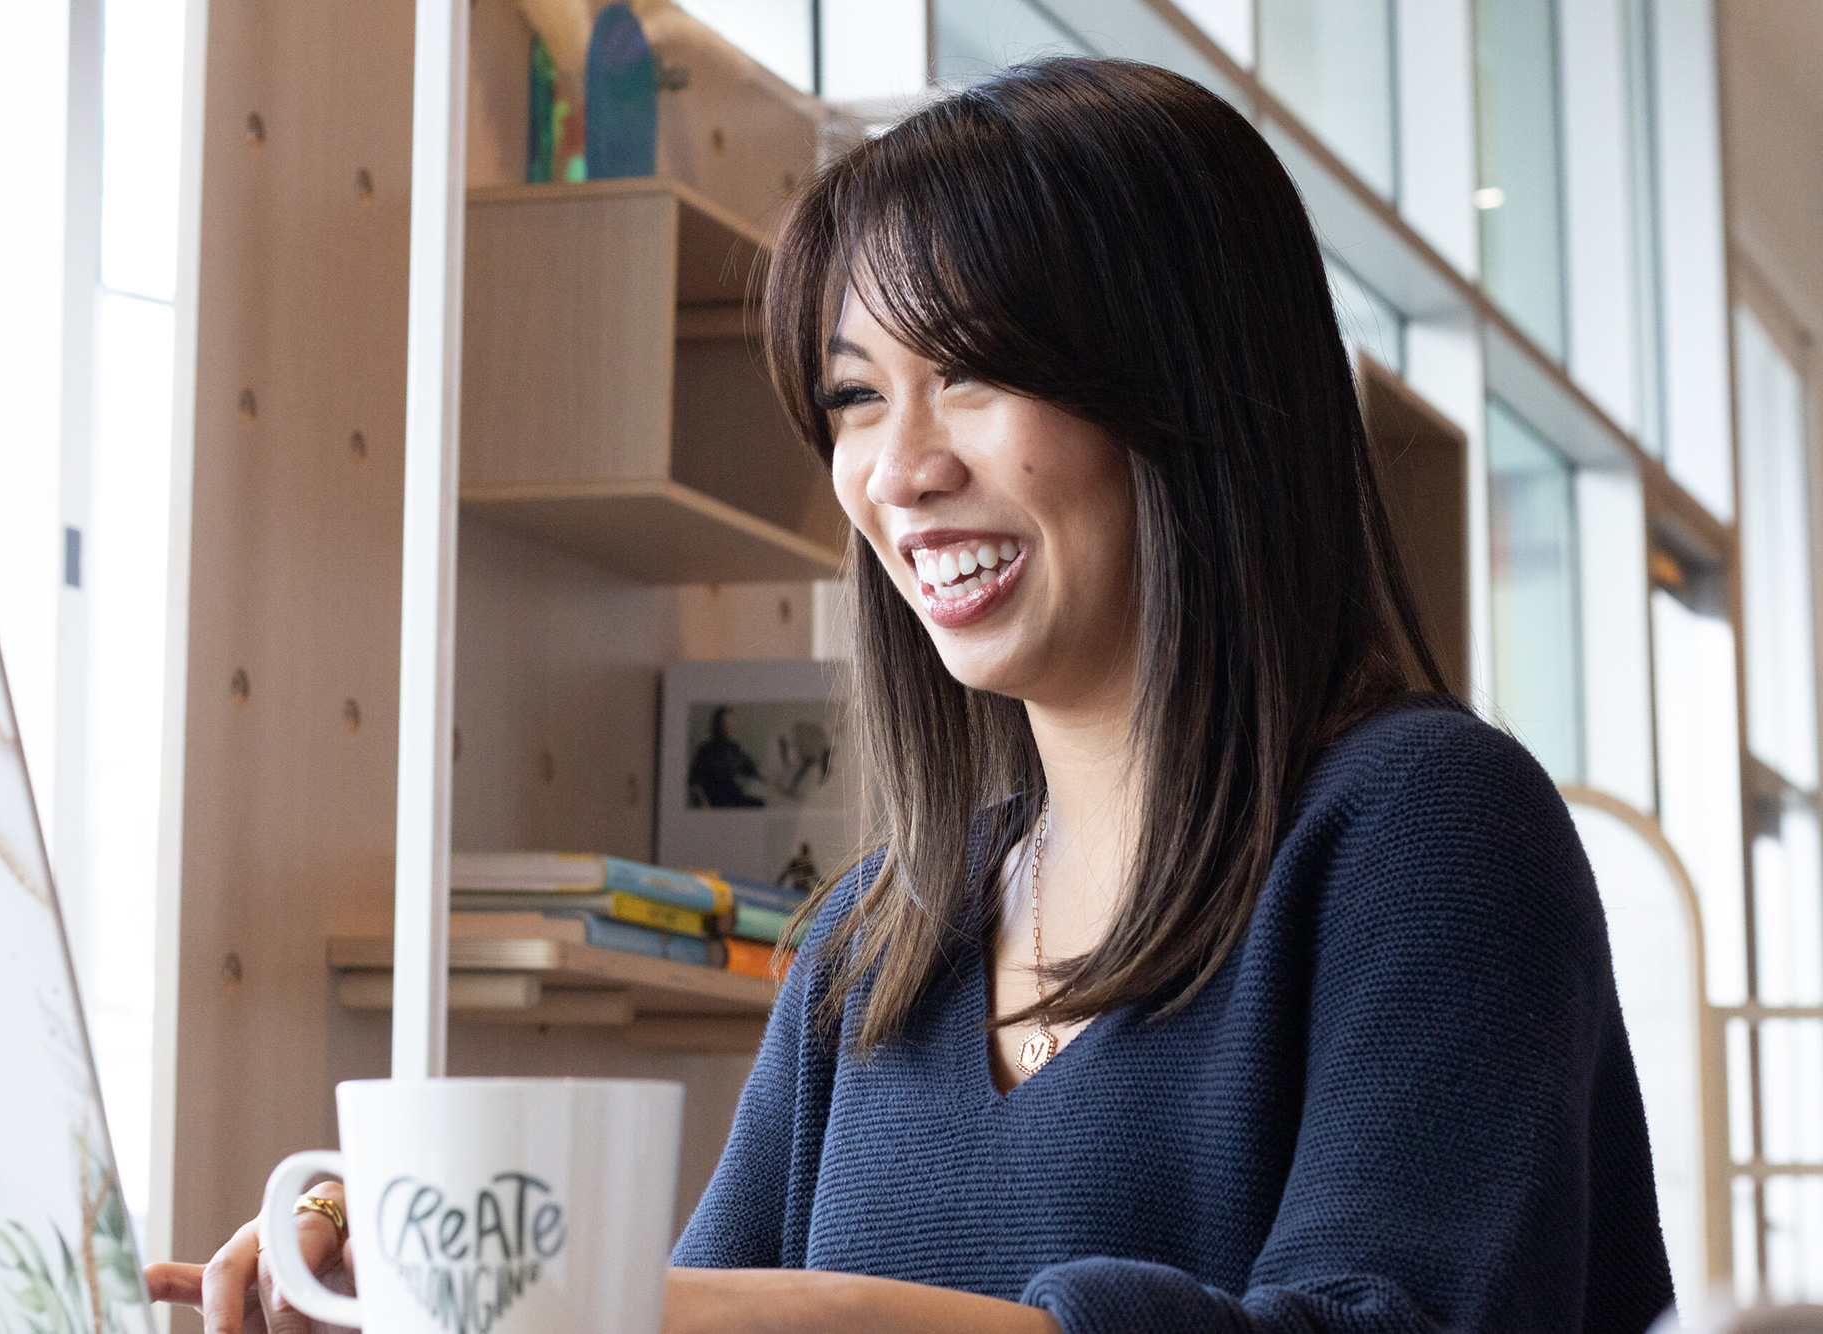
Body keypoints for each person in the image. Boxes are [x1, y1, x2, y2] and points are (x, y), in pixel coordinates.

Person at [148, 57, 1673, 1333]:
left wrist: (636, 1298)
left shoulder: (1424, 829)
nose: (899, 469)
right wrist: (403, 1287)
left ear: (1200, 396)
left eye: (979, 373)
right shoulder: (873, 943)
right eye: (857, 393)